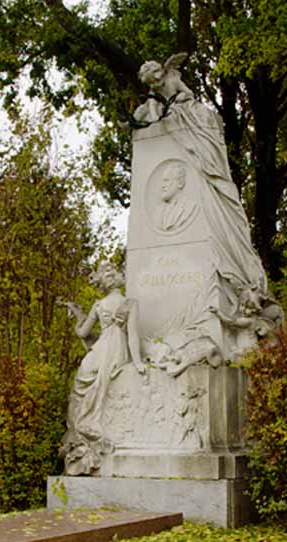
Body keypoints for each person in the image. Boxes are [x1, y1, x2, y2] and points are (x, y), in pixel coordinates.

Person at [59, 262, 145, 475]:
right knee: (90, 387)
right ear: (117, 279)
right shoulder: (129, 303)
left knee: (81, 386)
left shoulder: (98, 305)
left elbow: (82, 333)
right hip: (115, 350)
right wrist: (138, 362)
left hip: (98, 353)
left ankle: (81, 431)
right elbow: (132, 336)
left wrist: (77, 315)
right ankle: (87, 433)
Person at [158, 163, 199, 232]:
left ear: (180, 183)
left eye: (166, 180)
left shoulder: (189, 207)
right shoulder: (158, 211)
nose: (162, 186)